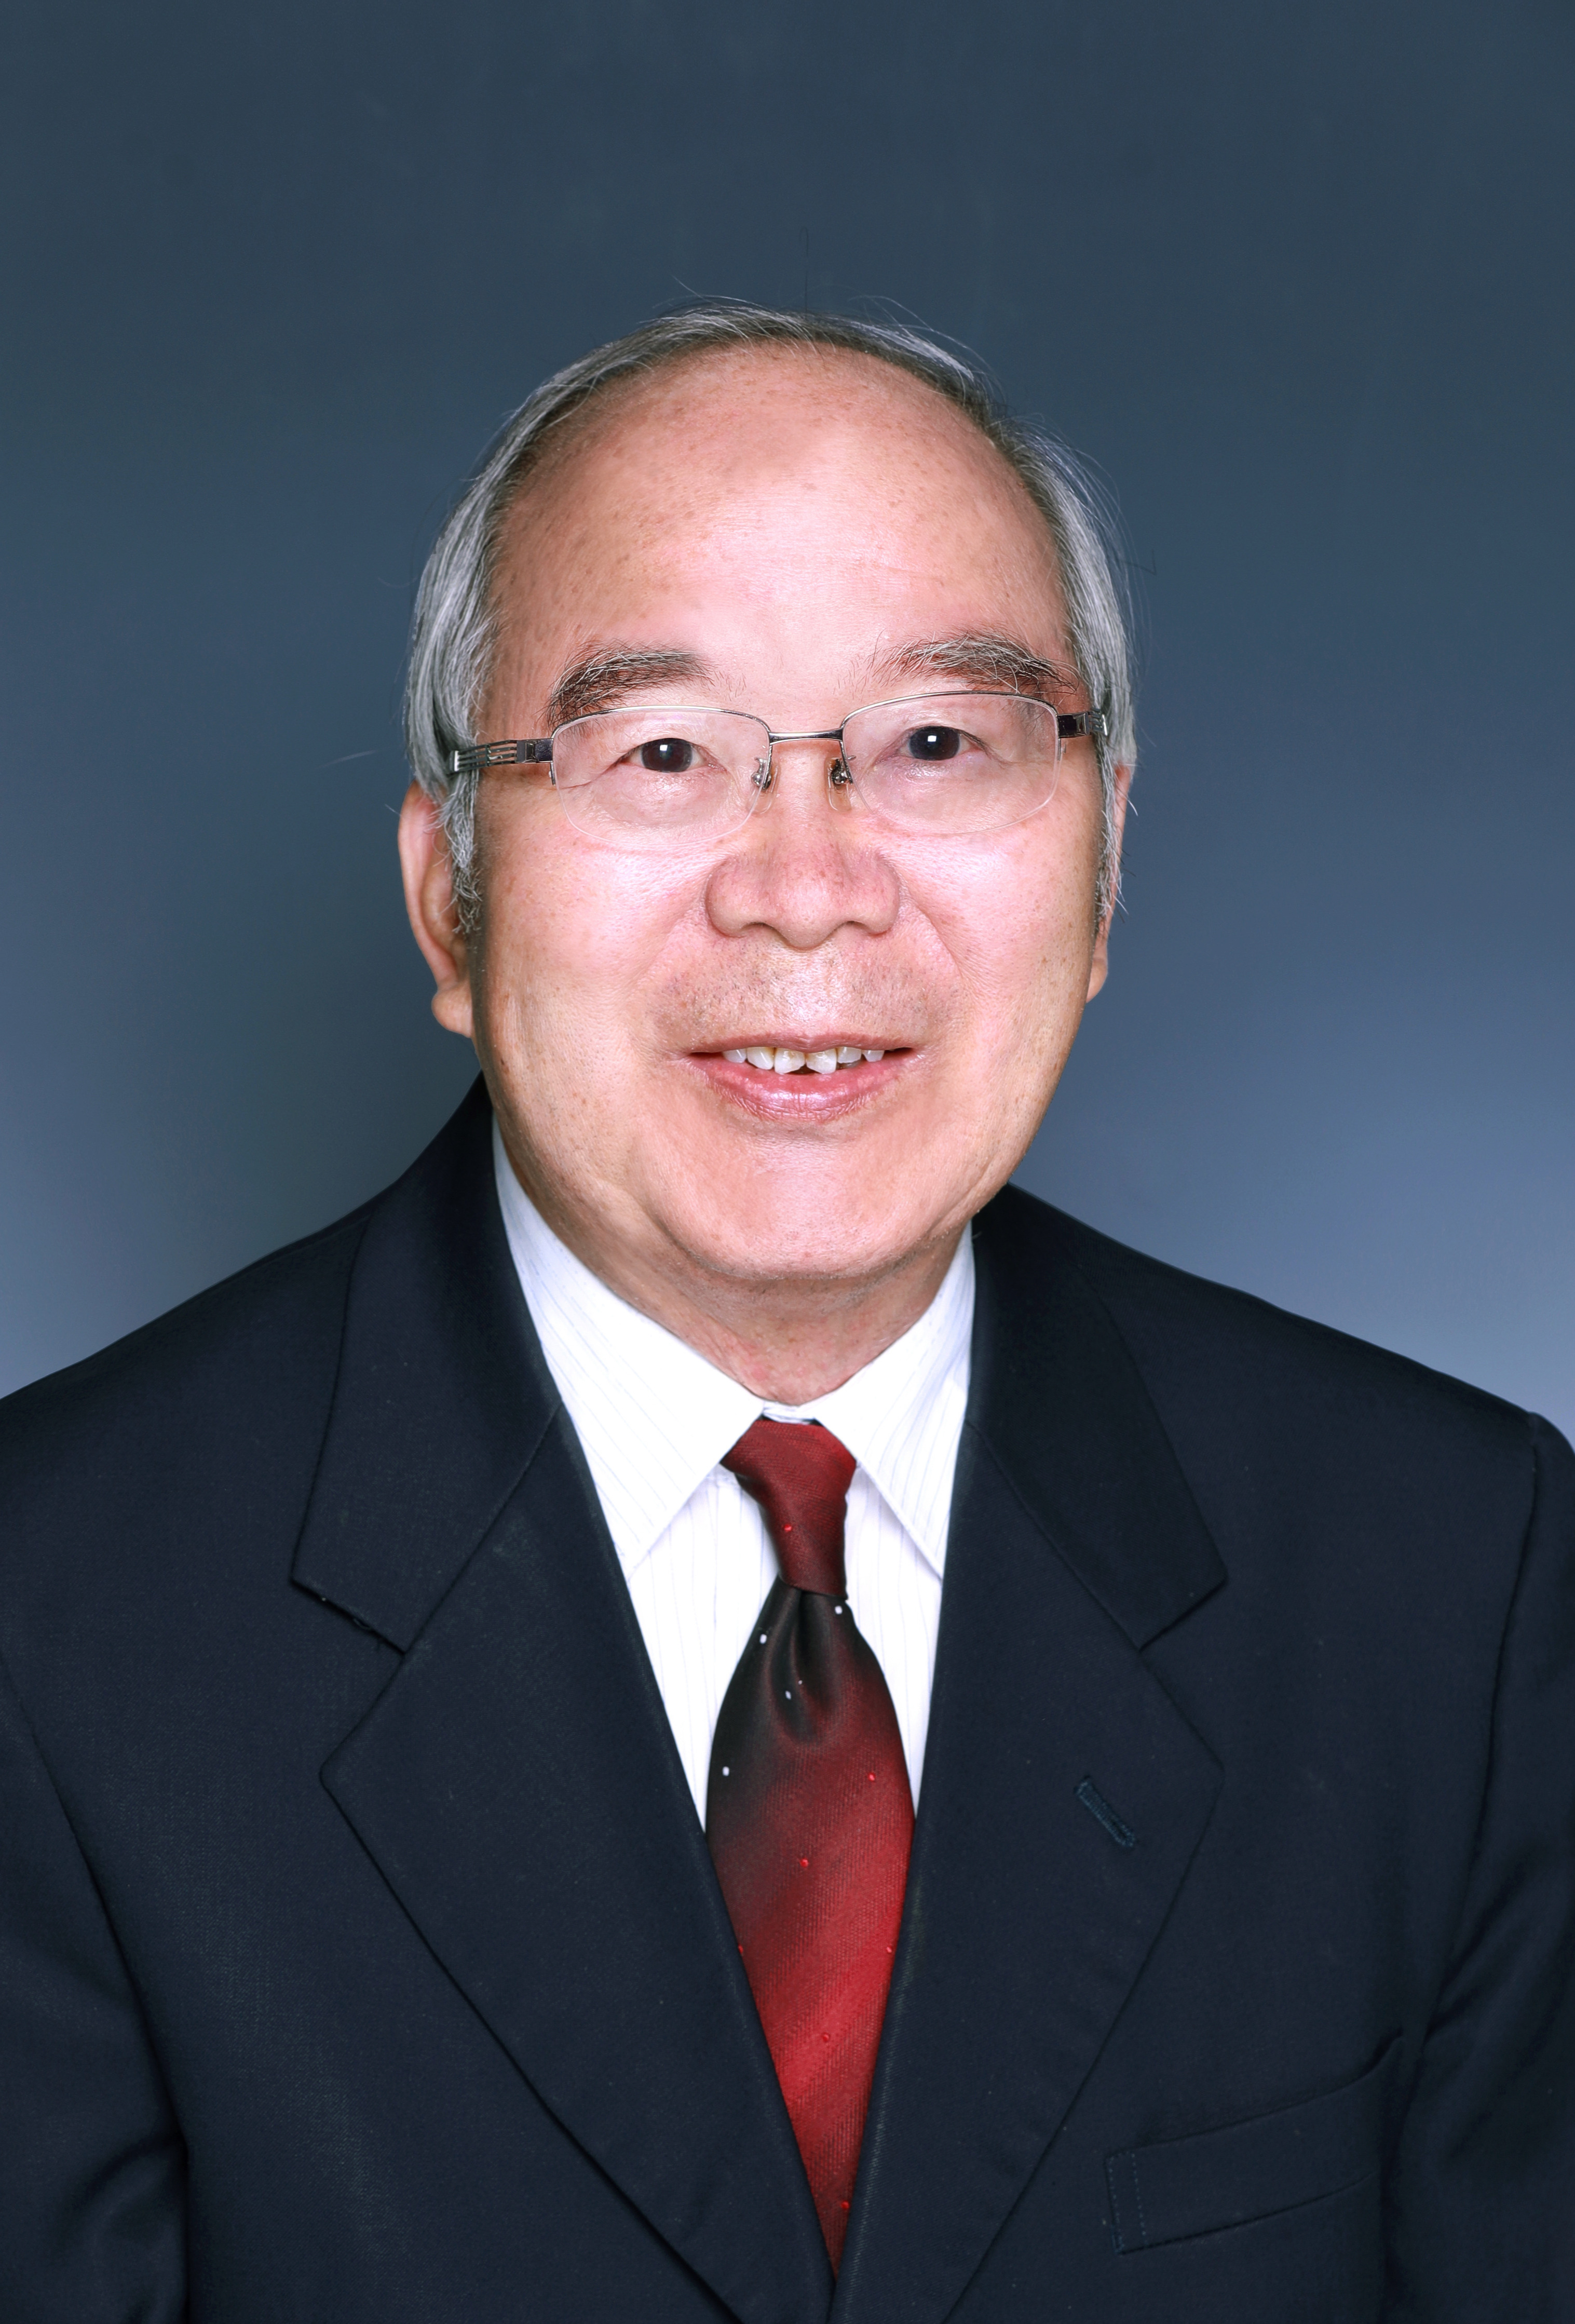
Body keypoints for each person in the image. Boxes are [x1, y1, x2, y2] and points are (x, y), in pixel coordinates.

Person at [1, 302, 1571, 2324]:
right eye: (663, 754)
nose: (809, 887)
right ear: (450, 898)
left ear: (1103, 865)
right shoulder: (53, 1621)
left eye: (937, 744)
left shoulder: (1447, 1580)